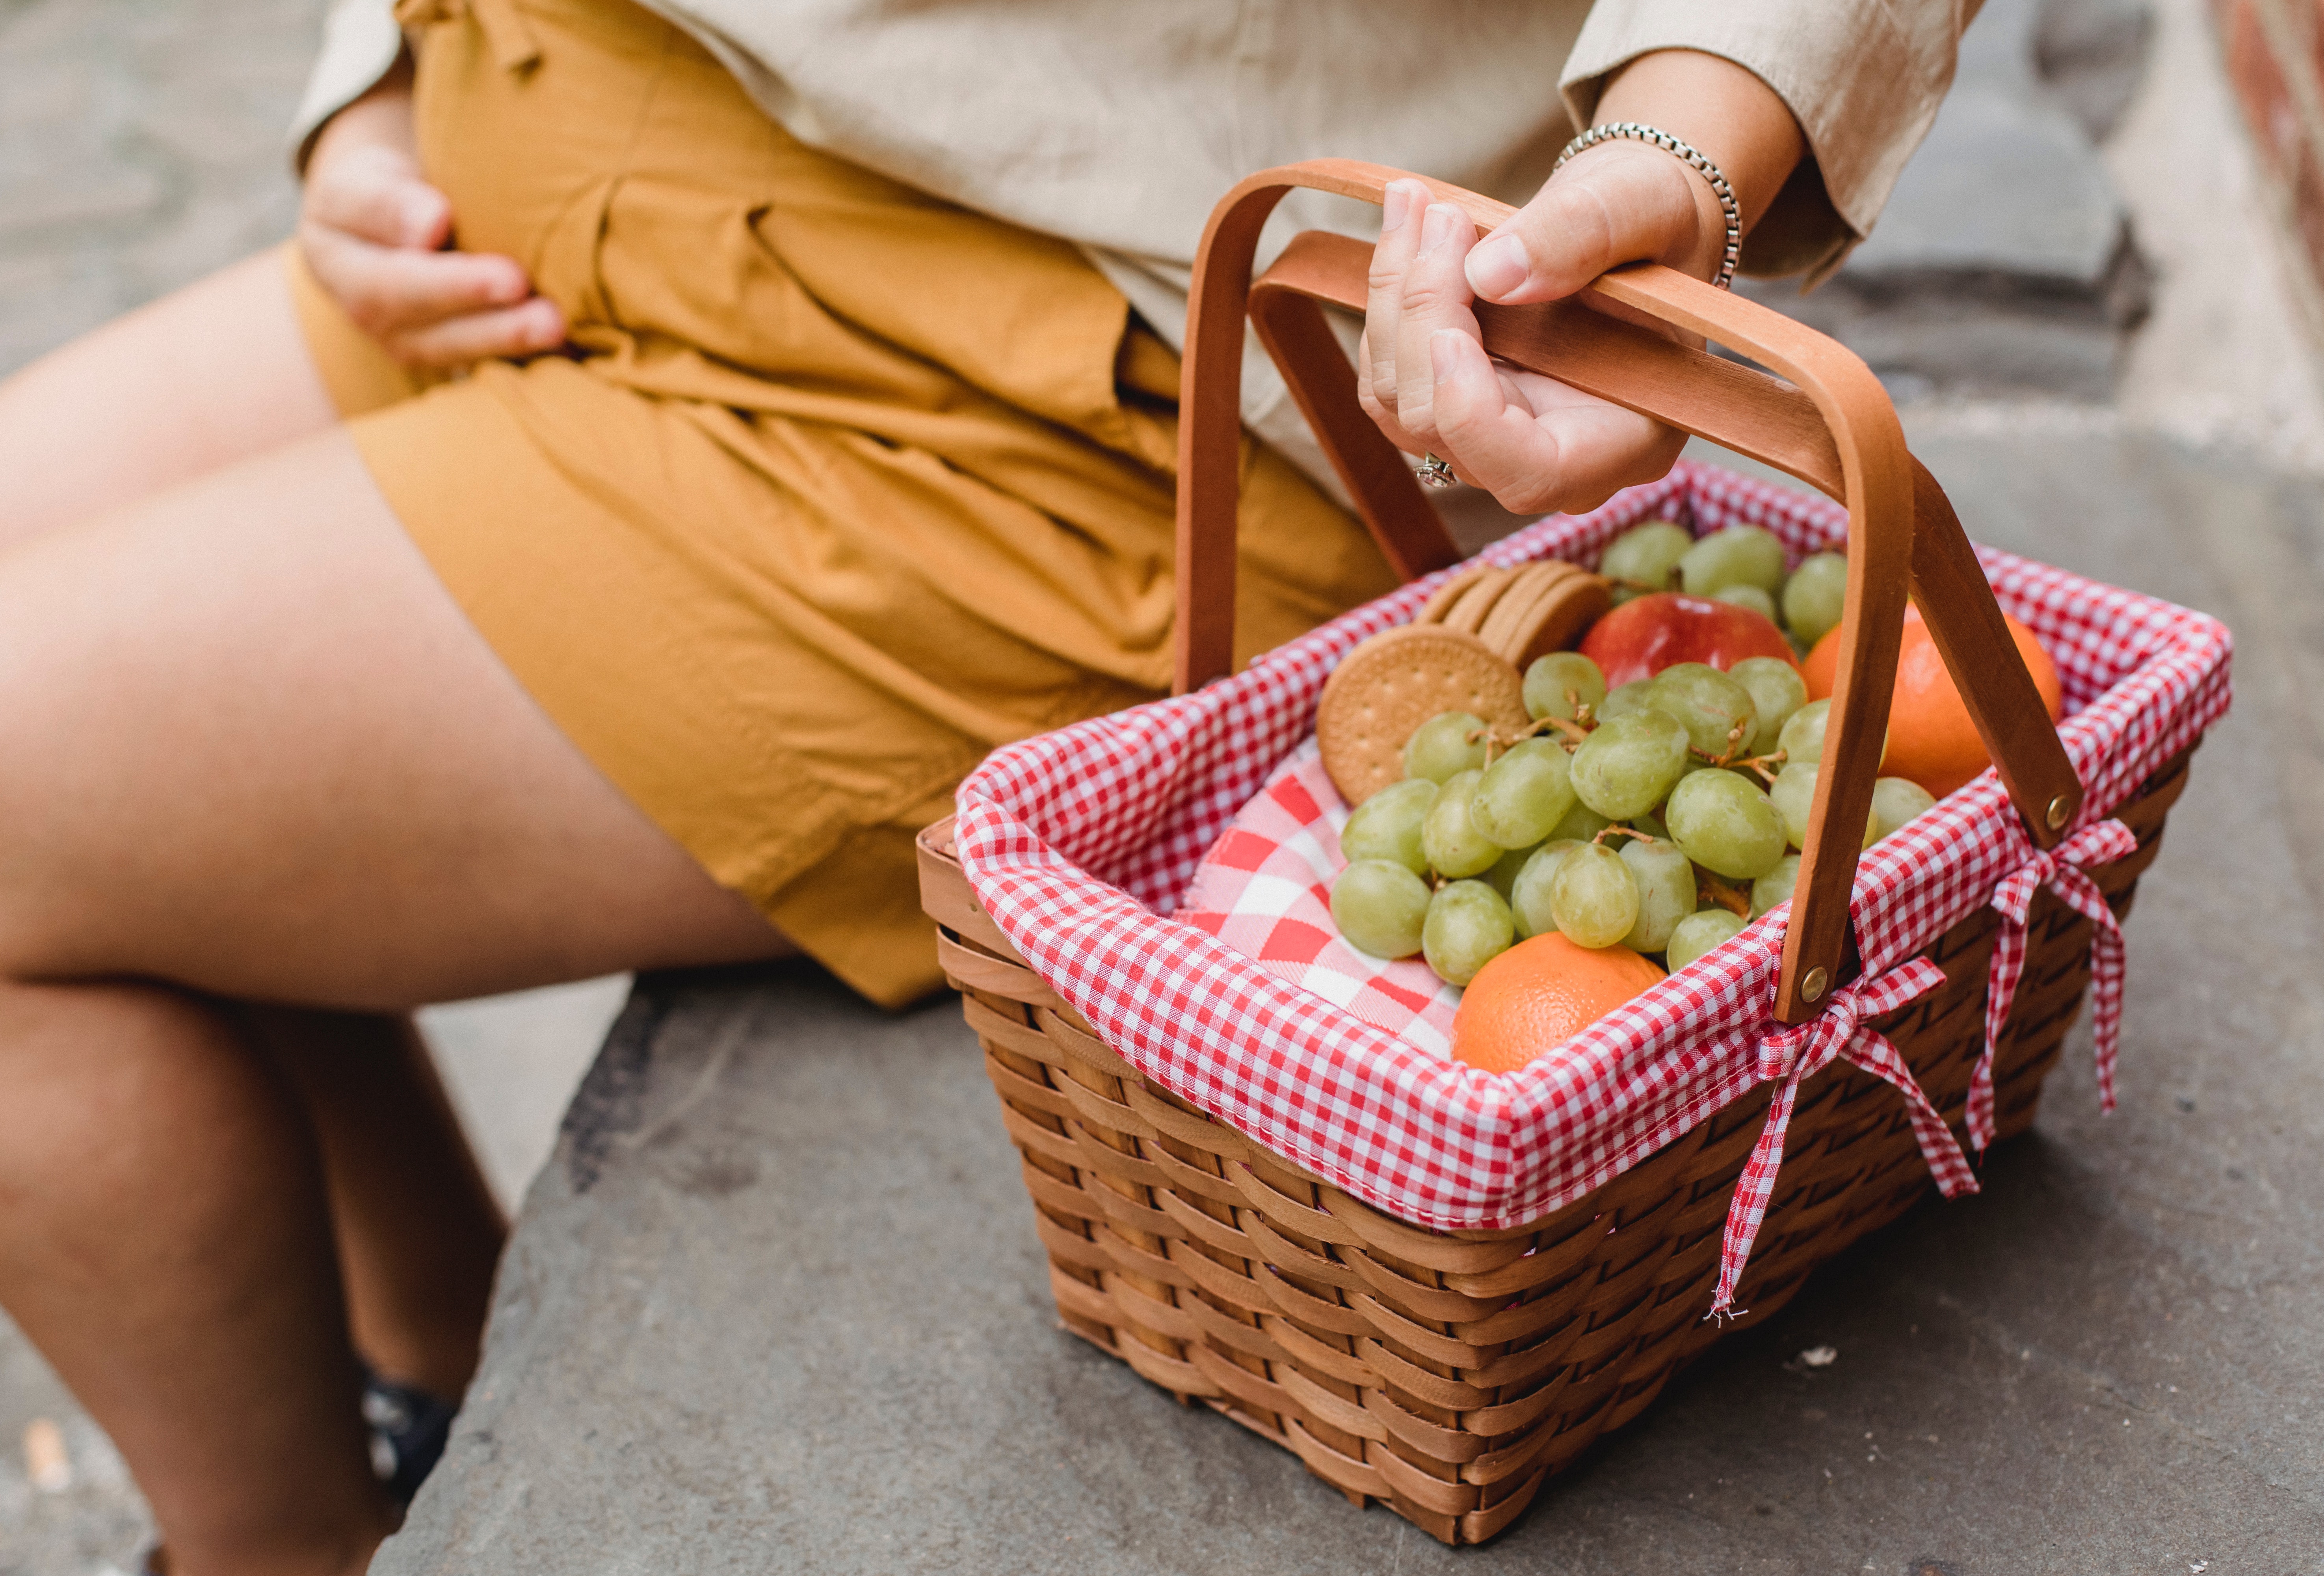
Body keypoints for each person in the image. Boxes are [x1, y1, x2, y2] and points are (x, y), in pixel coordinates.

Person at [0, 1, 1975, 1569]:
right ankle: (442, 1372)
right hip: (551, 163)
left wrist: (1672, 154)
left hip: (1075, 366)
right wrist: (375, 77)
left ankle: (284, 1548)